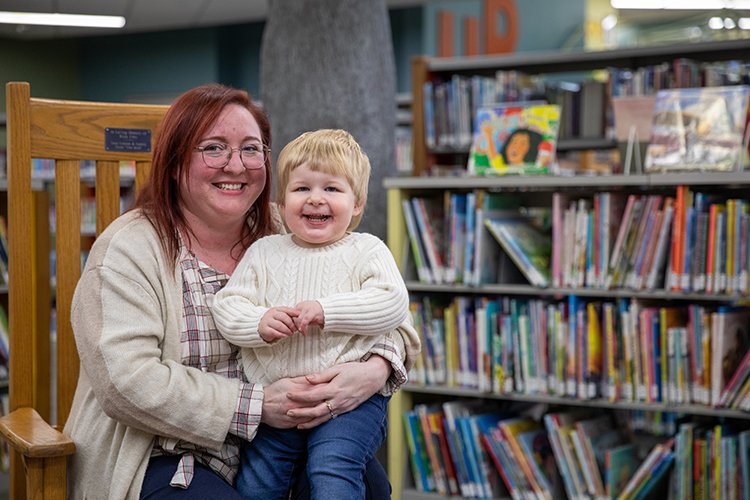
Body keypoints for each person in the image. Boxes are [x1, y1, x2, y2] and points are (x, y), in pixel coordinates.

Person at [63, 83, 420, 499]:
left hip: (288, 439)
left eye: (251, 149)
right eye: (214, 148)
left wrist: (373, 370)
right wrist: (255, 405)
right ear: (176, 163)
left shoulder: (291, 225)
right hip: (167, 454)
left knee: (368, 486)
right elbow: (128, 382)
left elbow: (393, 314)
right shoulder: (128, 250)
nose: (236, 165)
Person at [212, 129, 417, 499]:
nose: (316, 200)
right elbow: (227, 305)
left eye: (332, 189)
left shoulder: (367, 249)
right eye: (302, 188)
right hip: (276, 401)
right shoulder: (264, 251)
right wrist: (258, 323)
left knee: (333, 471)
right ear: (282, 199)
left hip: (351, 404)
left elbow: (392, 302)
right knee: (256, 485)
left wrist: (328, 310)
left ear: (357, 203)